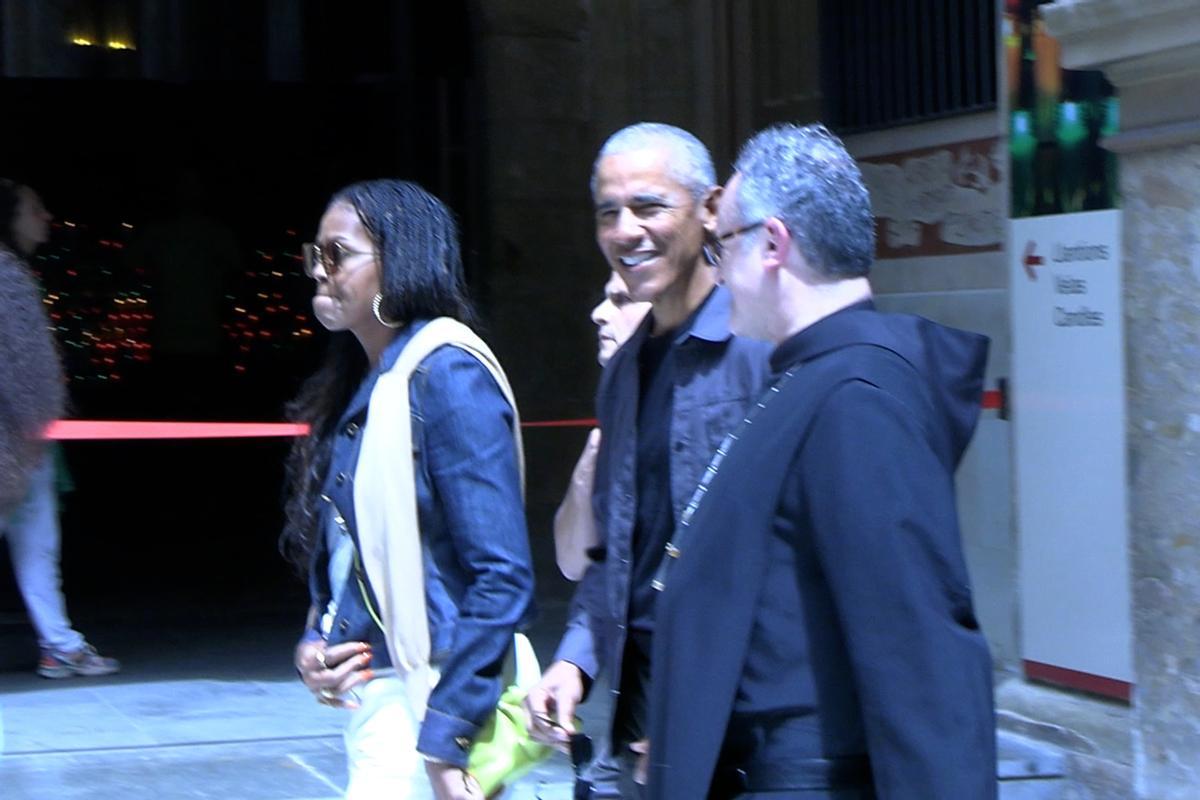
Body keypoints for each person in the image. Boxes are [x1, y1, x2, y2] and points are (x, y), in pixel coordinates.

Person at [646, 124, 997, 799]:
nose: (717, 274)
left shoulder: (857, 398)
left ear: (773, 244)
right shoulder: (810, 380)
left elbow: (921, 657)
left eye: (722, 246)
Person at [524, 124, 771, 797]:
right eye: (609, 213)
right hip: (637, 705)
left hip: (741, 719)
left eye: (649, 207)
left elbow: (791, 561)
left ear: (711, 209)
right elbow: (617, 552)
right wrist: (574, 663)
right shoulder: (625, 370)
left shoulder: (759, 349)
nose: (626, 230)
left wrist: (710, 712)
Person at [280, 179, 535, 800]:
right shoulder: (365, 384)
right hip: (381, 707)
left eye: (337, 254)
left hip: (430, 709)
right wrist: (318, 641)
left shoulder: (447, 375)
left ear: (400, 261)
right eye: (314, 256)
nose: (320, 271)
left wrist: (446, 738)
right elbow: (354, 556)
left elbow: (501, 574)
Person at [0, 179, 120, 679]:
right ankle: (60, 644)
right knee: (35, 543)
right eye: (33, 207)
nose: (44, 215)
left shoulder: (13, 275)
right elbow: (18, 367)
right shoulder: (5, 278)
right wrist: (25, 439)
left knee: (38, 545)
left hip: (26, 443)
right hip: (13, 443)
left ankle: (60, 644)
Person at [553, 272, 650, 582]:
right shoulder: (613, 409)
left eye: (622, 300)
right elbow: (571, 562)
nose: (599, 313)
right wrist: (587, 471)